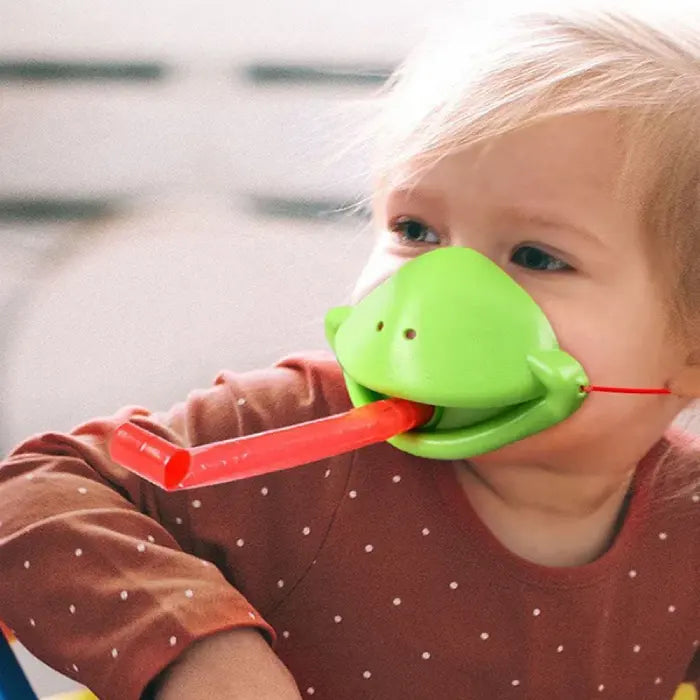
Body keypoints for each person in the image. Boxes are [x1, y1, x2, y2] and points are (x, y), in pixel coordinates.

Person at [2, 2, 700, 698]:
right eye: (415, 229)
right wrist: (193, 649)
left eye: (535, 256)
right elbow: (29, 493)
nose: (433, 296)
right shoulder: (300, 427)